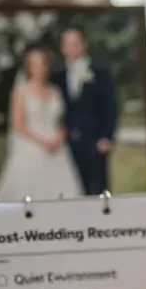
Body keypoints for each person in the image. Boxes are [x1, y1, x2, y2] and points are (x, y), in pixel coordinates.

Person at [0, 48, 83, 202]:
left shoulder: (55, 91)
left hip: (56, 144)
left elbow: (61, 120)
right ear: (29, 68)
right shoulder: (21, 92)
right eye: (36, 64)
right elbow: (19, 125)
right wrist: (43, 141)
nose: (41, 68)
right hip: (31, 143)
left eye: (43, 64)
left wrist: (59, 137)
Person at [53, 27, 119, 196]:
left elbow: (110, 107)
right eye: (68, 44)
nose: (72, 47)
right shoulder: (57, 77)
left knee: (96, 188)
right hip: (67, 144)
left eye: (76, 43)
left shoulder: (100, 73)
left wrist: (107, 137)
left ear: (84, 45)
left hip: (94, 141)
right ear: (62, 48)